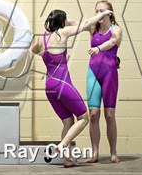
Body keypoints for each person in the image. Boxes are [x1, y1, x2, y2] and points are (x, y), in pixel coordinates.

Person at [31, 9, 112, 167]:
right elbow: (86, 24)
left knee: (68, 121)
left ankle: (67, 159)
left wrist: (52, 56)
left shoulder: (41, 38)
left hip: (49, 87)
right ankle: (62, 146)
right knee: (84, 118)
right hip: (62, 84)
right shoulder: (63, 33)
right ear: (62, 21)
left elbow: (35, 50)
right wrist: (102, 15)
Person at [86, 0, 122, 163]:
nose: (99, 14)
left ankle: (113, 152)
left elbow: (113, 41)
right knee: (93, 115)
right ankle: (95, 152)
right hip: (93, 72)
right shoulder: (93, 28)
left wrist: (98, 48)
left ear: (110, 13)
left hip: (109, 73)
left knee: (109, 115)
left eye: (103, 11)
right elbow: (82, 24)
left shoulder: (116, 30)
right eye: (97, 11)